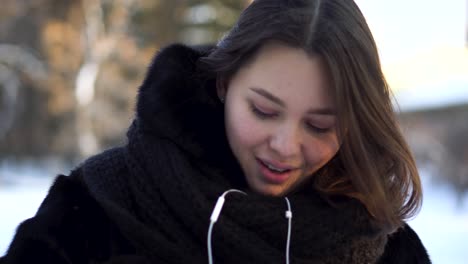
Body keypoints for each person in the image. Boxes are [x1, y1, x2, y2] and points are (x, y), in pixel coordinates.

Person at [0, 0, 431, 263]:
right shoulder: (95, 206)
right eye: (263, 110)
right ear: (224, 83)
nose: (284, 146)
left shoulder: (384, 244)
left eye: (320, 125)